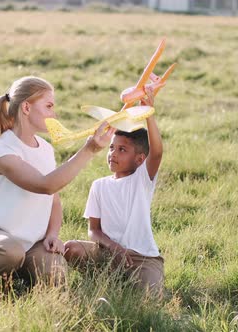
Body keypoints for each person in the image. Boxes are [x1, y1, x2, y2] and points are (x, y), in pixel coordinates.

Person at [0, 76, 115, 301]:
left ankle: (11, 282)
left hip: (33, 244)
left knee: (55, 277)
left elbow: (54, 199)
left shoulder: (45, 149)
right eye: (49, 106)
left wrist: (52, 234)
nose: (54, 114)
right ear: (26, 107)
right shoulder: (2, 149)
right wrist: (88, 150)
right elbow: (45, 186)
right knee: (9, 251)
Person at [64, 87, 164, 295]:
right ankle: (106, 281)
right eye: (111, 148)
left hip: (142, 258)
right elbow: (94, 231)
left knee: (147, 299)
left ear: (139, 159)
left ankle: (132, 284)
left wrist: (149, 113)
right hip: (108, 253)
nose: (113, 153)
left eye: (122, 150)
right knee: (70, 249)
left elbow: (157, 152)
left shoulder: (141, 180)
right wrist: (114, 248)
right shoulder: (99, 185)